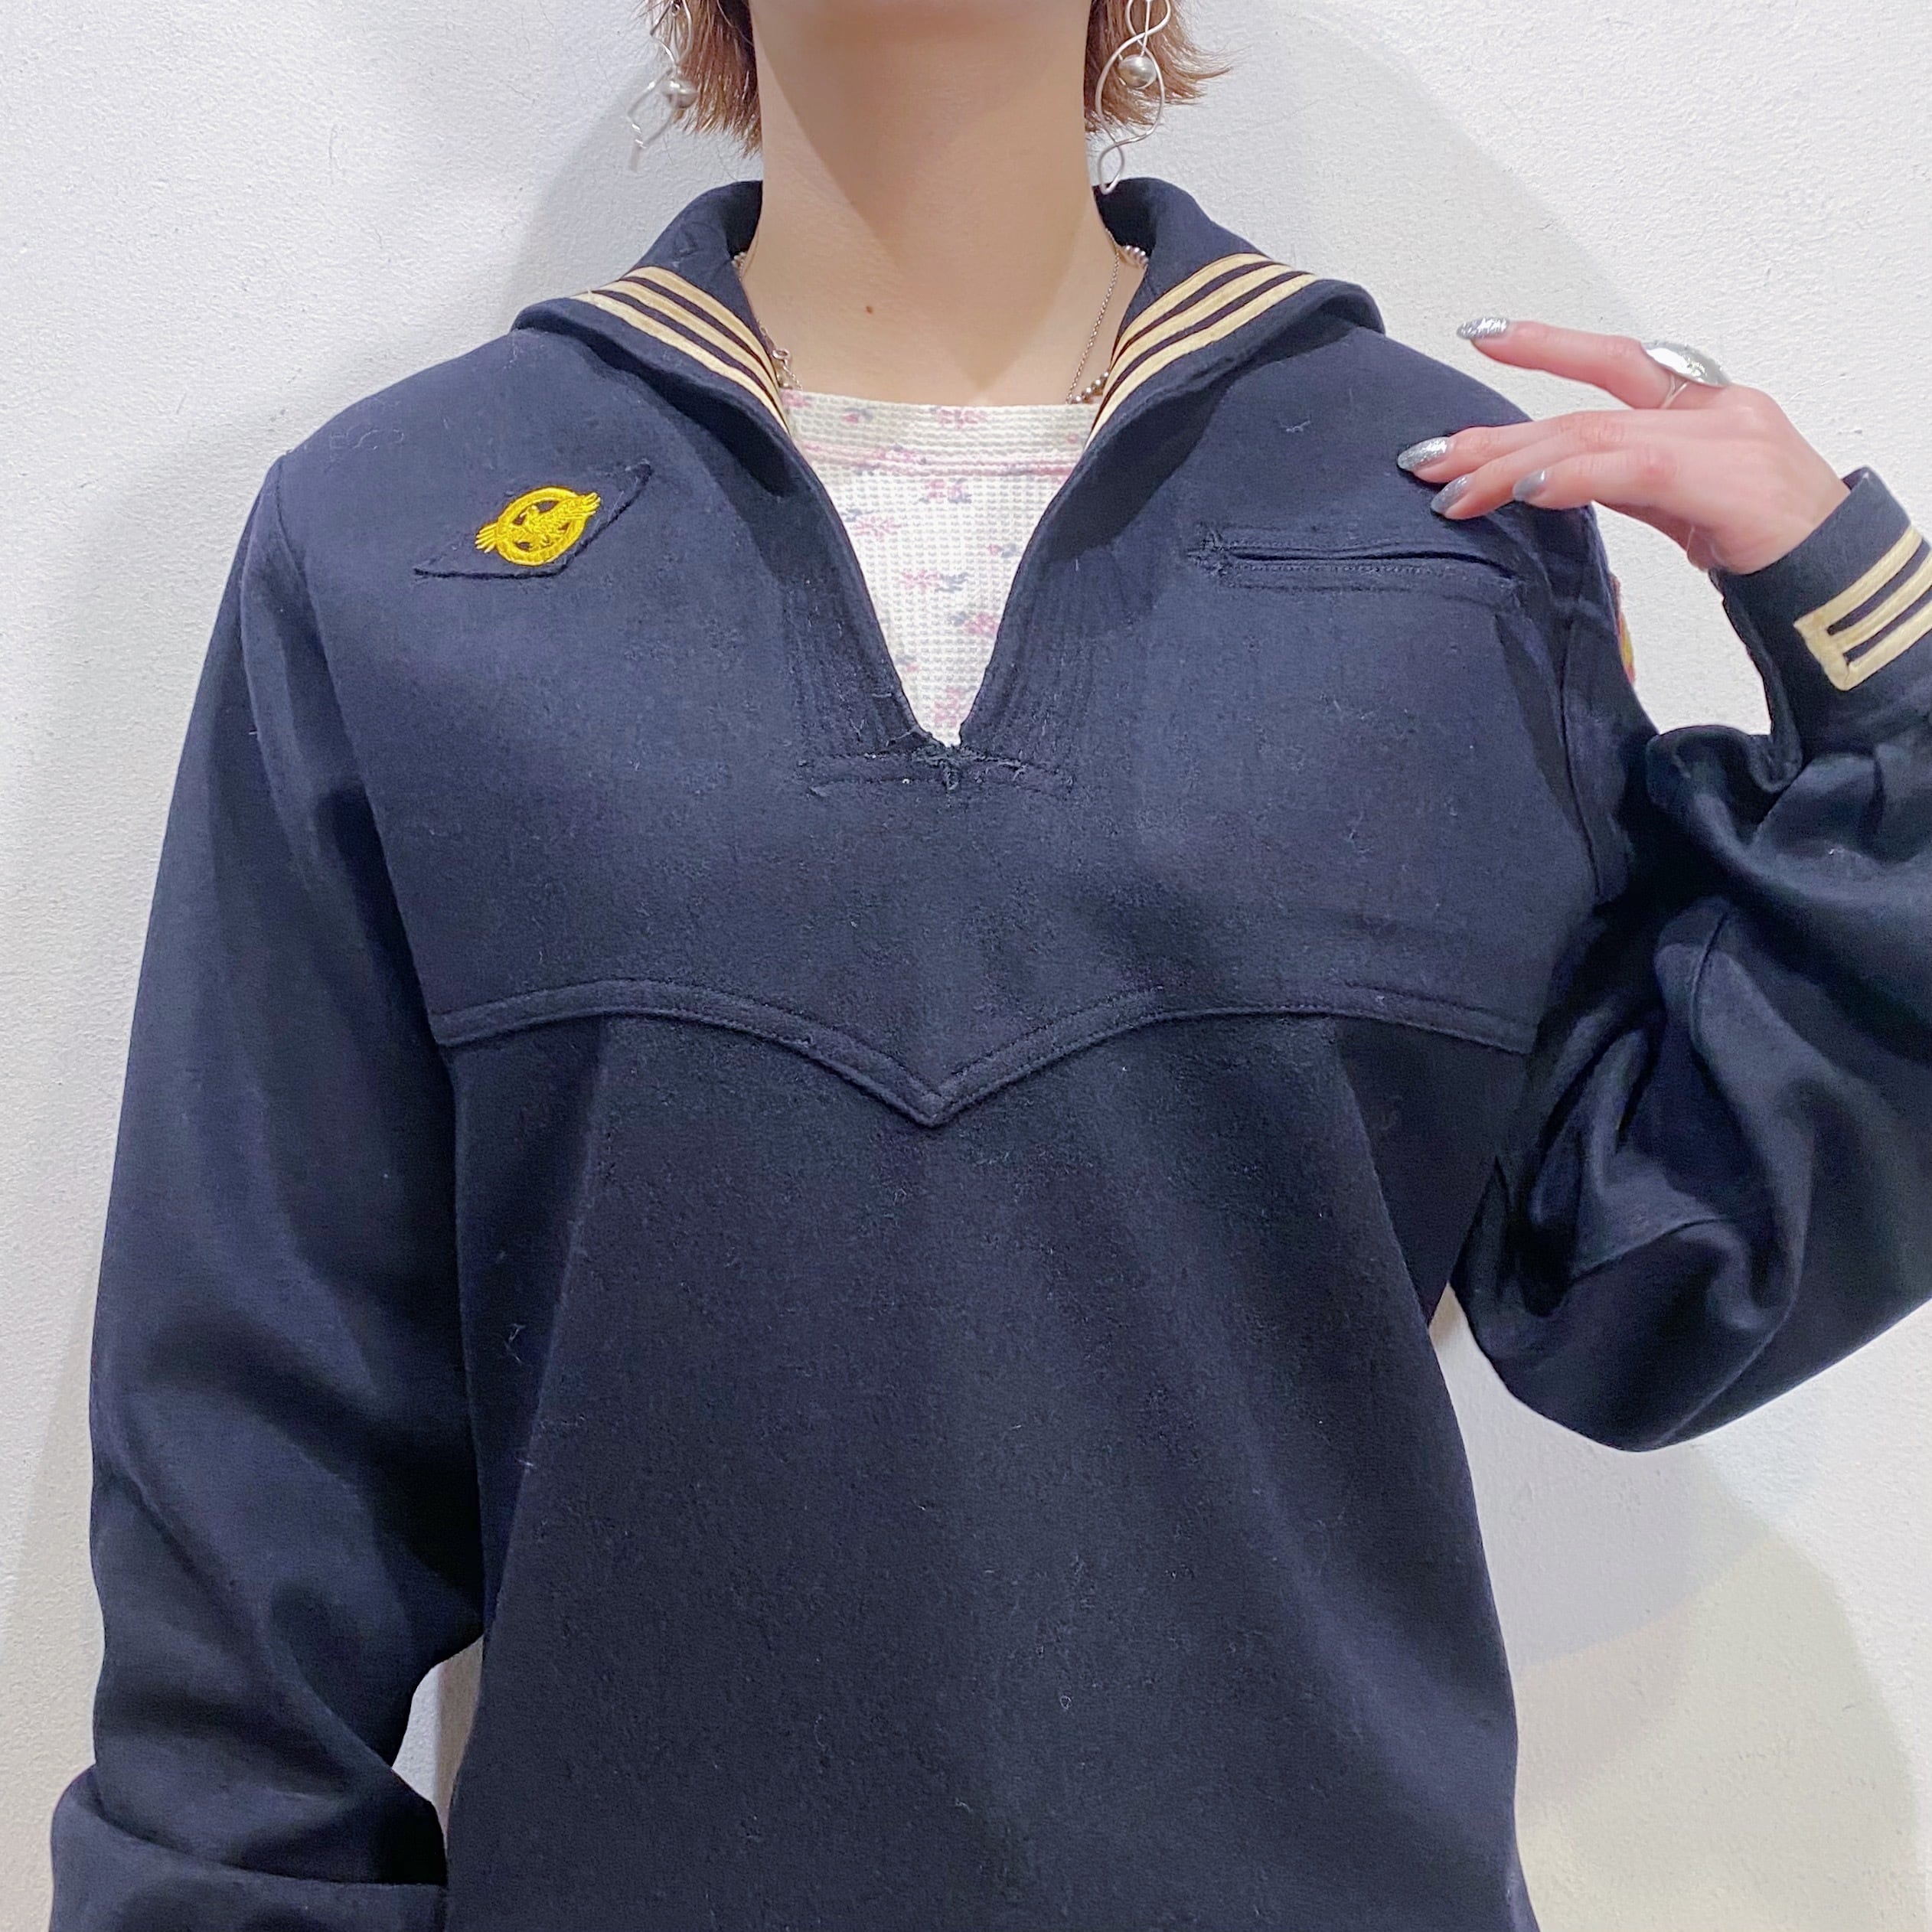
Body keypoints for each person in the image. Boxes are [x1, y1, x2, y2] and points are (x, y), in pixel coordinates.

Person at [47, 2, 1932, 1927]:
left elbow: (1655, 1273)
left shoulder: (1449, 518)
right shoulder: (401, 533)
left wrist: (1883, 669)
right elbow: (254, 1438)